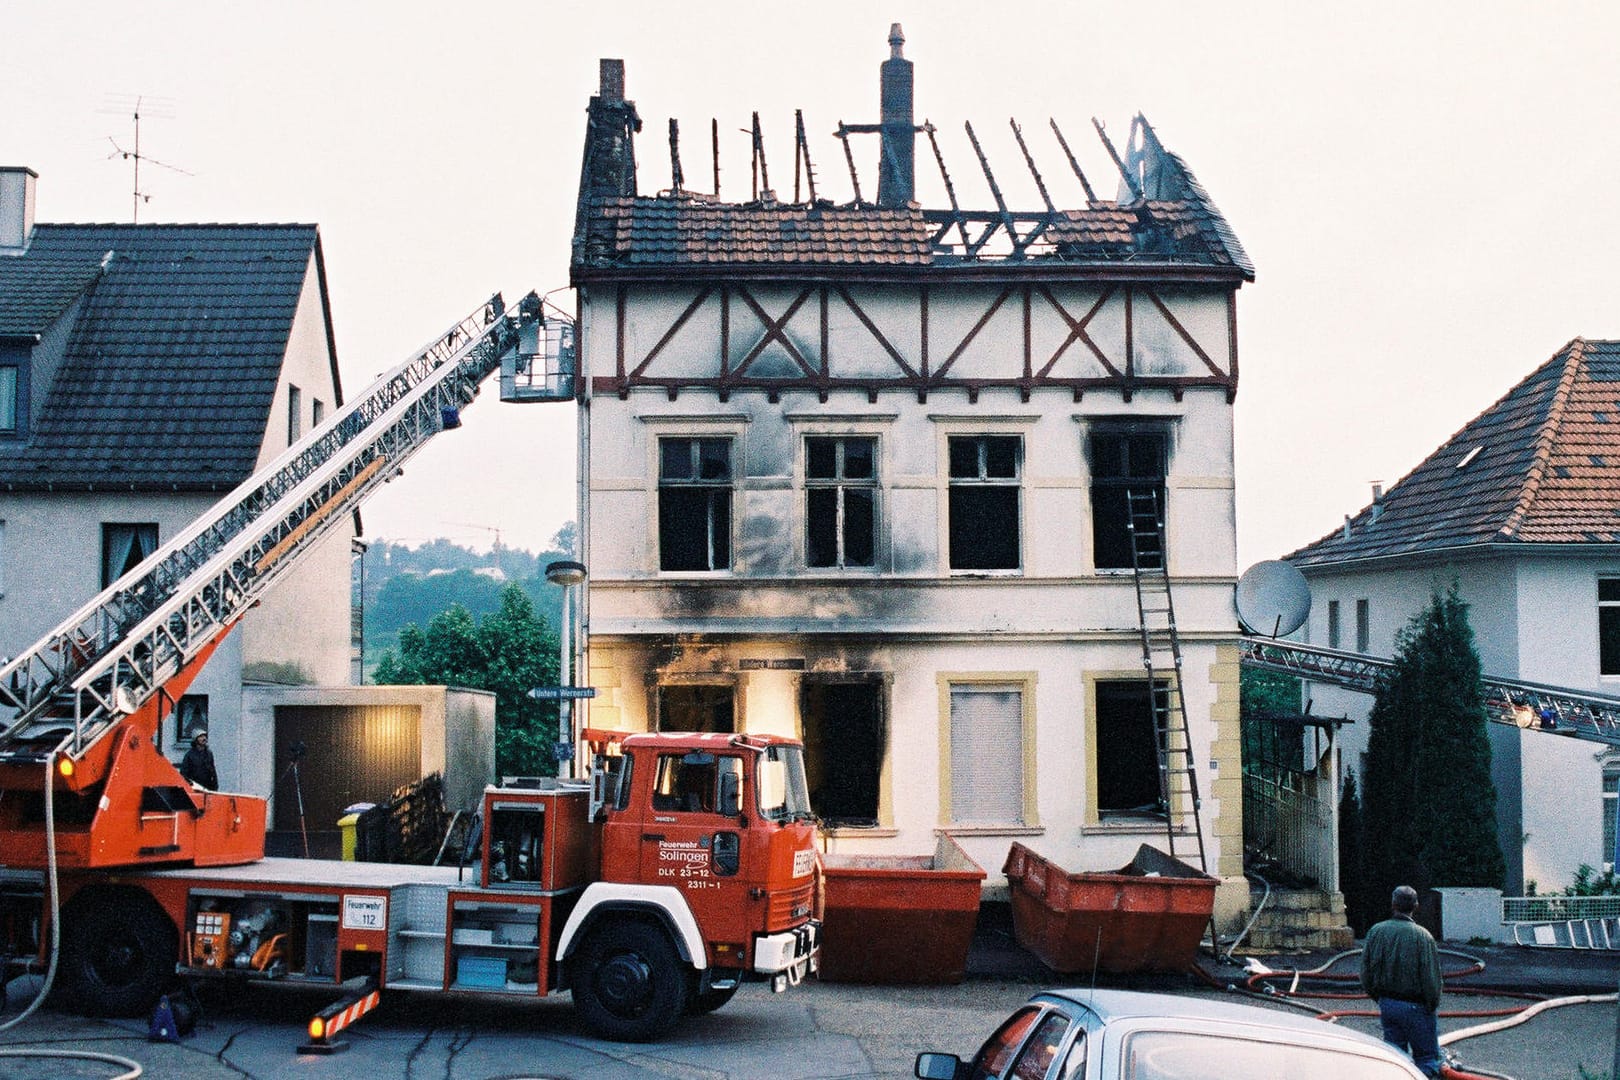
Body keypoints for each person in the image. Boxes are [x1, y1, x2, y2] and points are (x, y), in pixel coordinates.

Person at [1361, 884, 1443, 1077]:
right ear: (1415, 906)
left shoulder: (1376, 932)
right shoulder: (1423, 937)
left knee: (1395, 1059)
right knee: (1427, 1060)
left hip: (1388, 1003)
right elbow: (1431, 980)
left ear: (1393, 904)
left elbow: (1365, 972)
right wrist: (1431, 1005)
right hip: (1416, 1006)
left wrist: (1380, 997)